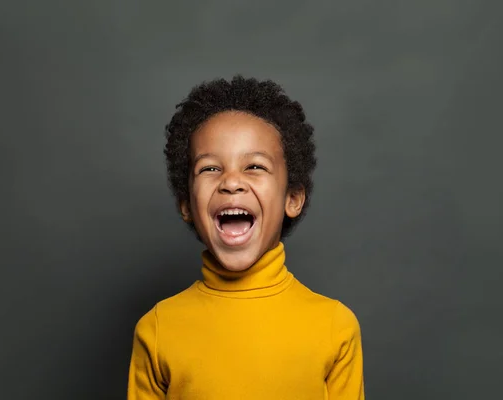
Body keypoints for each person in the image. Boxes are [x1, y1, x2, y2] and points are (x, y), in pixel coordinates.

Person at [127, 75, 365, 399]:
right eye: (210, 168)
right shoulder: (156, 330)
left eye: (254, 166)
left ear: (292, 199)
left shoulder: (335, 327)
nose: (231, 182)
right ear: (186, 205)